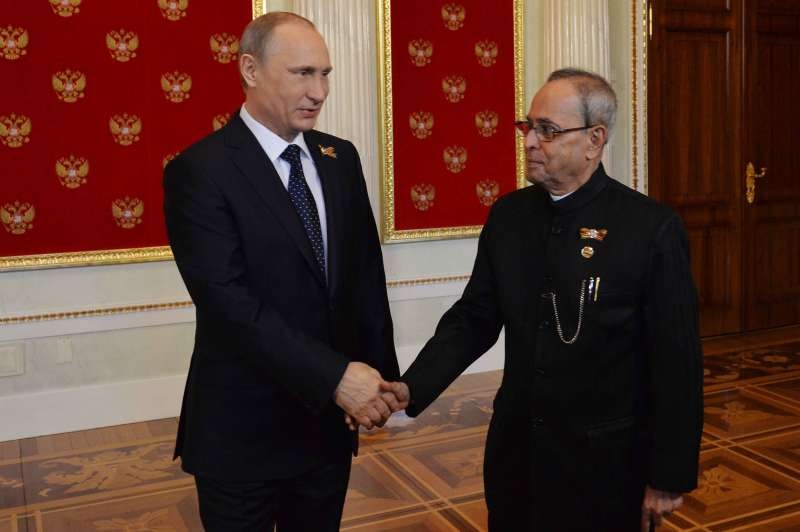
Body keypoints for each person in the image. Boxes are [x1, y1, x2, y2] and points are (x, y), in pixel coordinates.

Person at [383, 69, 703, 531]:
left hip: (605, 469)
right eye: (528, 126)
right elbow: (474, 318)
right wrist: (411, 388)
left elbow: (677, 364)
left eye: (548, 131)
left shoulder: (650, 228)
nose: (530, 141)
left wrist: (667, 477)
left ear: (595, 140)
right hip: (518, 461)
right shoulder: (509, 217)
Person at [163, 12, 400, 531]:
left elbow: (363, 279)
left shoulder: (340, 157)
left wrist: (381, 384)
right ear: (250, 69)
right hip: (244, 434)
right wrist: (338, 378)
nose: (319, 91)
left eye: (326, 74)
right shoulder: (200, 172)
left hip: (326, 430)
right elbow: (229, 305)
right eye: (302, 73)